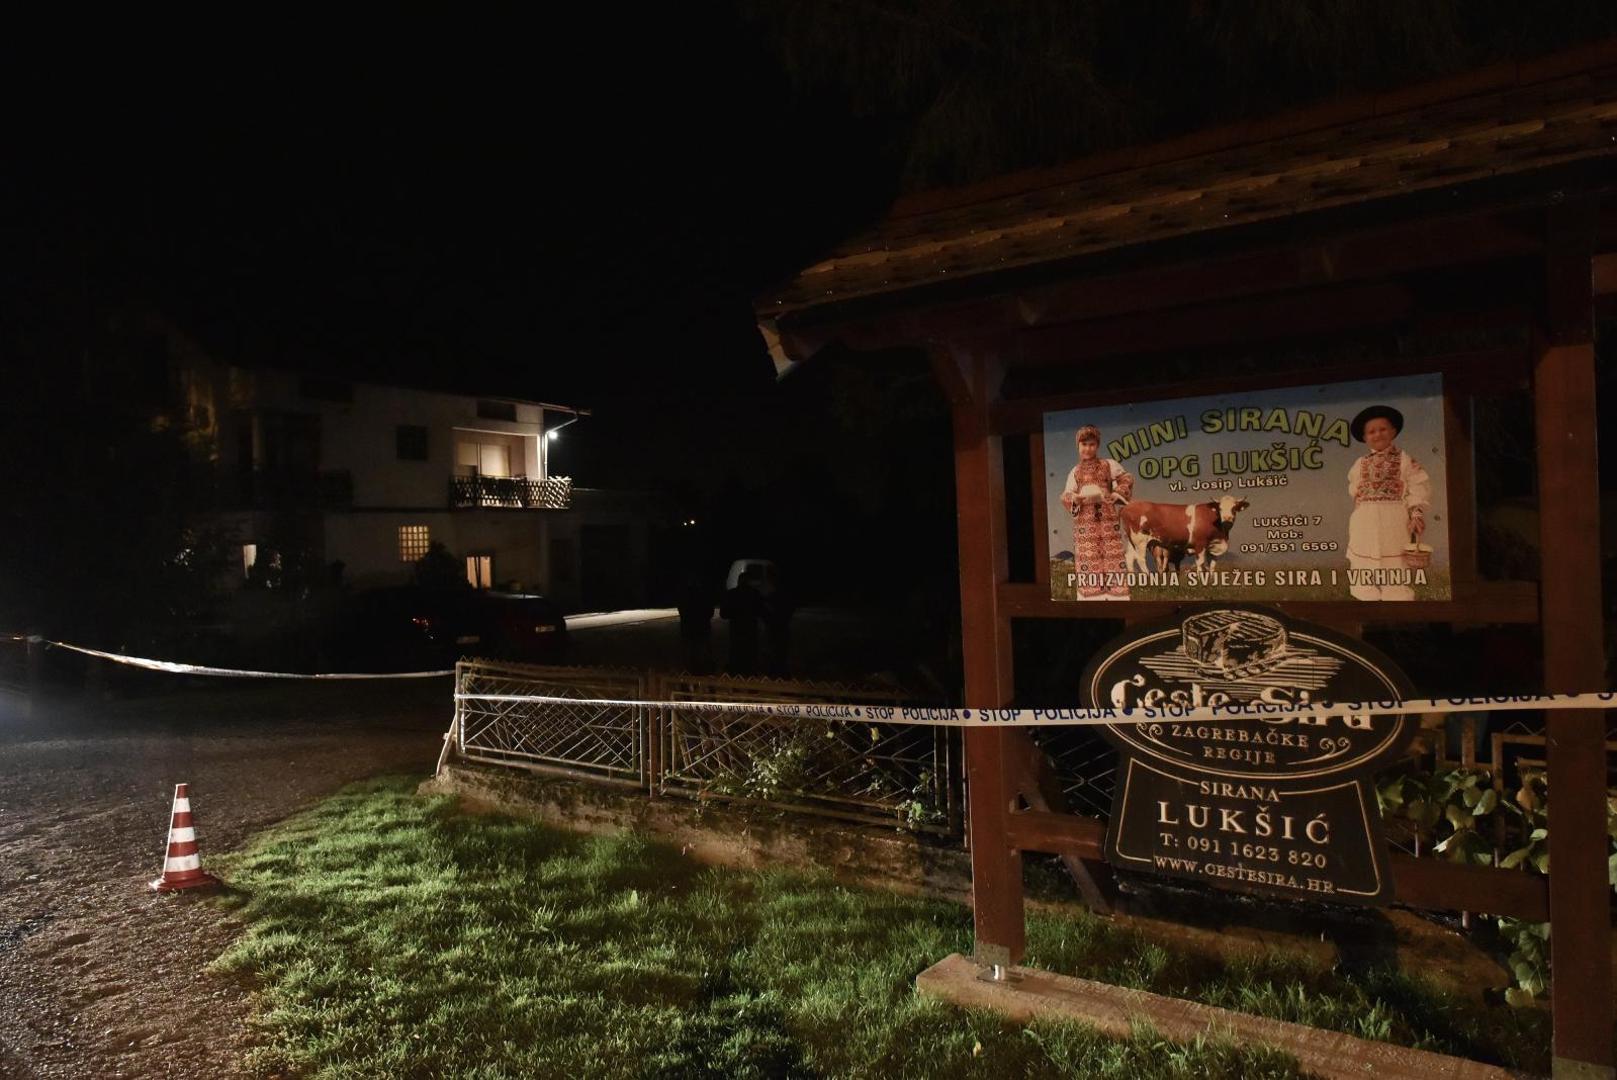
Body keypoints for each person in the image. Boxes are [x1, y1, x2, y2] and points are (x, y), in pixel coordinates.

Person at [1346, 405, 1431, 601]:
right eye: (1371, 432)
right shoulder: (1360, 463)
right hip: (1365, 518)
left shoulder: (1405, 460)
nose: (1378, 434)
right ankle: (1364, 594)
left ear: (1393, 431)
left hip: (1393, 518)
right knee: (1363, 559)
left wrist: (1416, 513)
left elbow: (1417, 486)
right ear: (1365, 437)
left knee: (1394, 559)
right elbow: (1354, 487)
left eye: (1383, 429)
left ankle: (1396, 595)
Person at [1059, 425, 1134, 600]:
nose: (1088, 448)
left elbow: (1127, 478)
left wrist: (1116, 493)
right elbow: (1066, 494)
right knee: (1089, 557)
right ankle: (1092, 597)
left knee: (1112, 555)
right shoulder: (1075, 471)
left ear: (1097, 446)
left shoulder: (1109, 464)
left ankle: (1116, 596)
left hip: (1108, 520)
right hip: (1085, 524)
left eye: (1092, 444)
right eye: (1084, 444)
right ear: (1078, 446)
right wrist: (1075, 499)